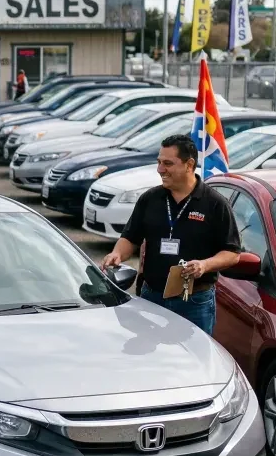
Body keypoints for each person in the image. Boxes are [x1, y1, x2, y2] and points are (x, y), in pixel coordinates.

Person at [101, 134, 242, 334]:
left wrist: (204, 265)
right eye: (159, 162)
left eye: (168, 163)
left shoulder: (214, 204)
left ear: (189, 164)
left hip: (194, 302)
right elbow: (131, 238)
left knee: (194, 359)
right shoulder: (150, 199)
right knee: (152, 357)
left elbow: (232, 253)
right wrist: (117, 253)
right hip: (152, 296)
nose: (160, 169)